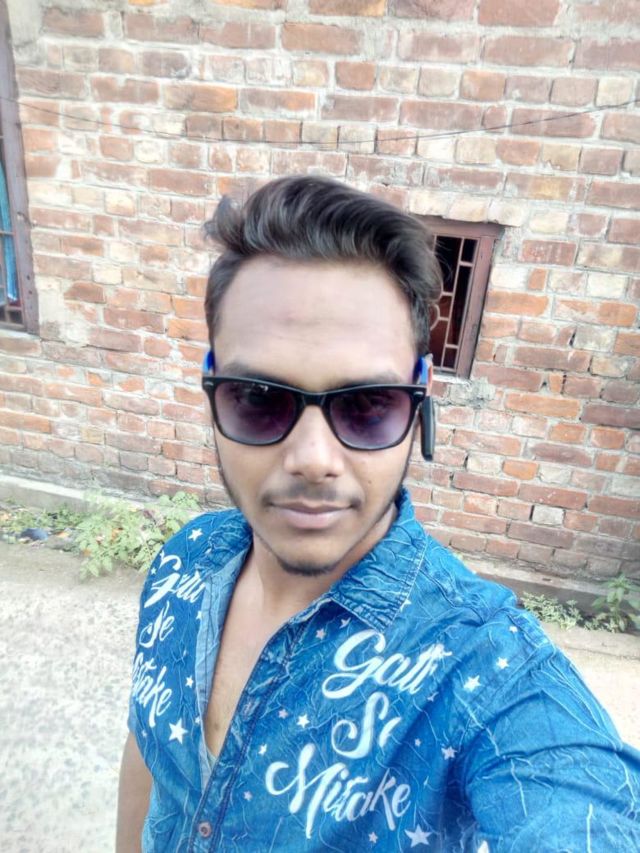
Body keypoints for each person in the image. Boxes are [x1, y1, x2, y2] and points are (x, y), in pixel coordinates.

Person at [116, 176, 640, 852]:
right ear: (211, 390)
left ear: (419, 400)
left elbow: (579, 811)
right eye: (258, 397)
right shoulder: (184, 562)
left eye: (367, 405)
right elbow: (150, 755)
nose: (312, 459)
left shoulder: (482, 668)